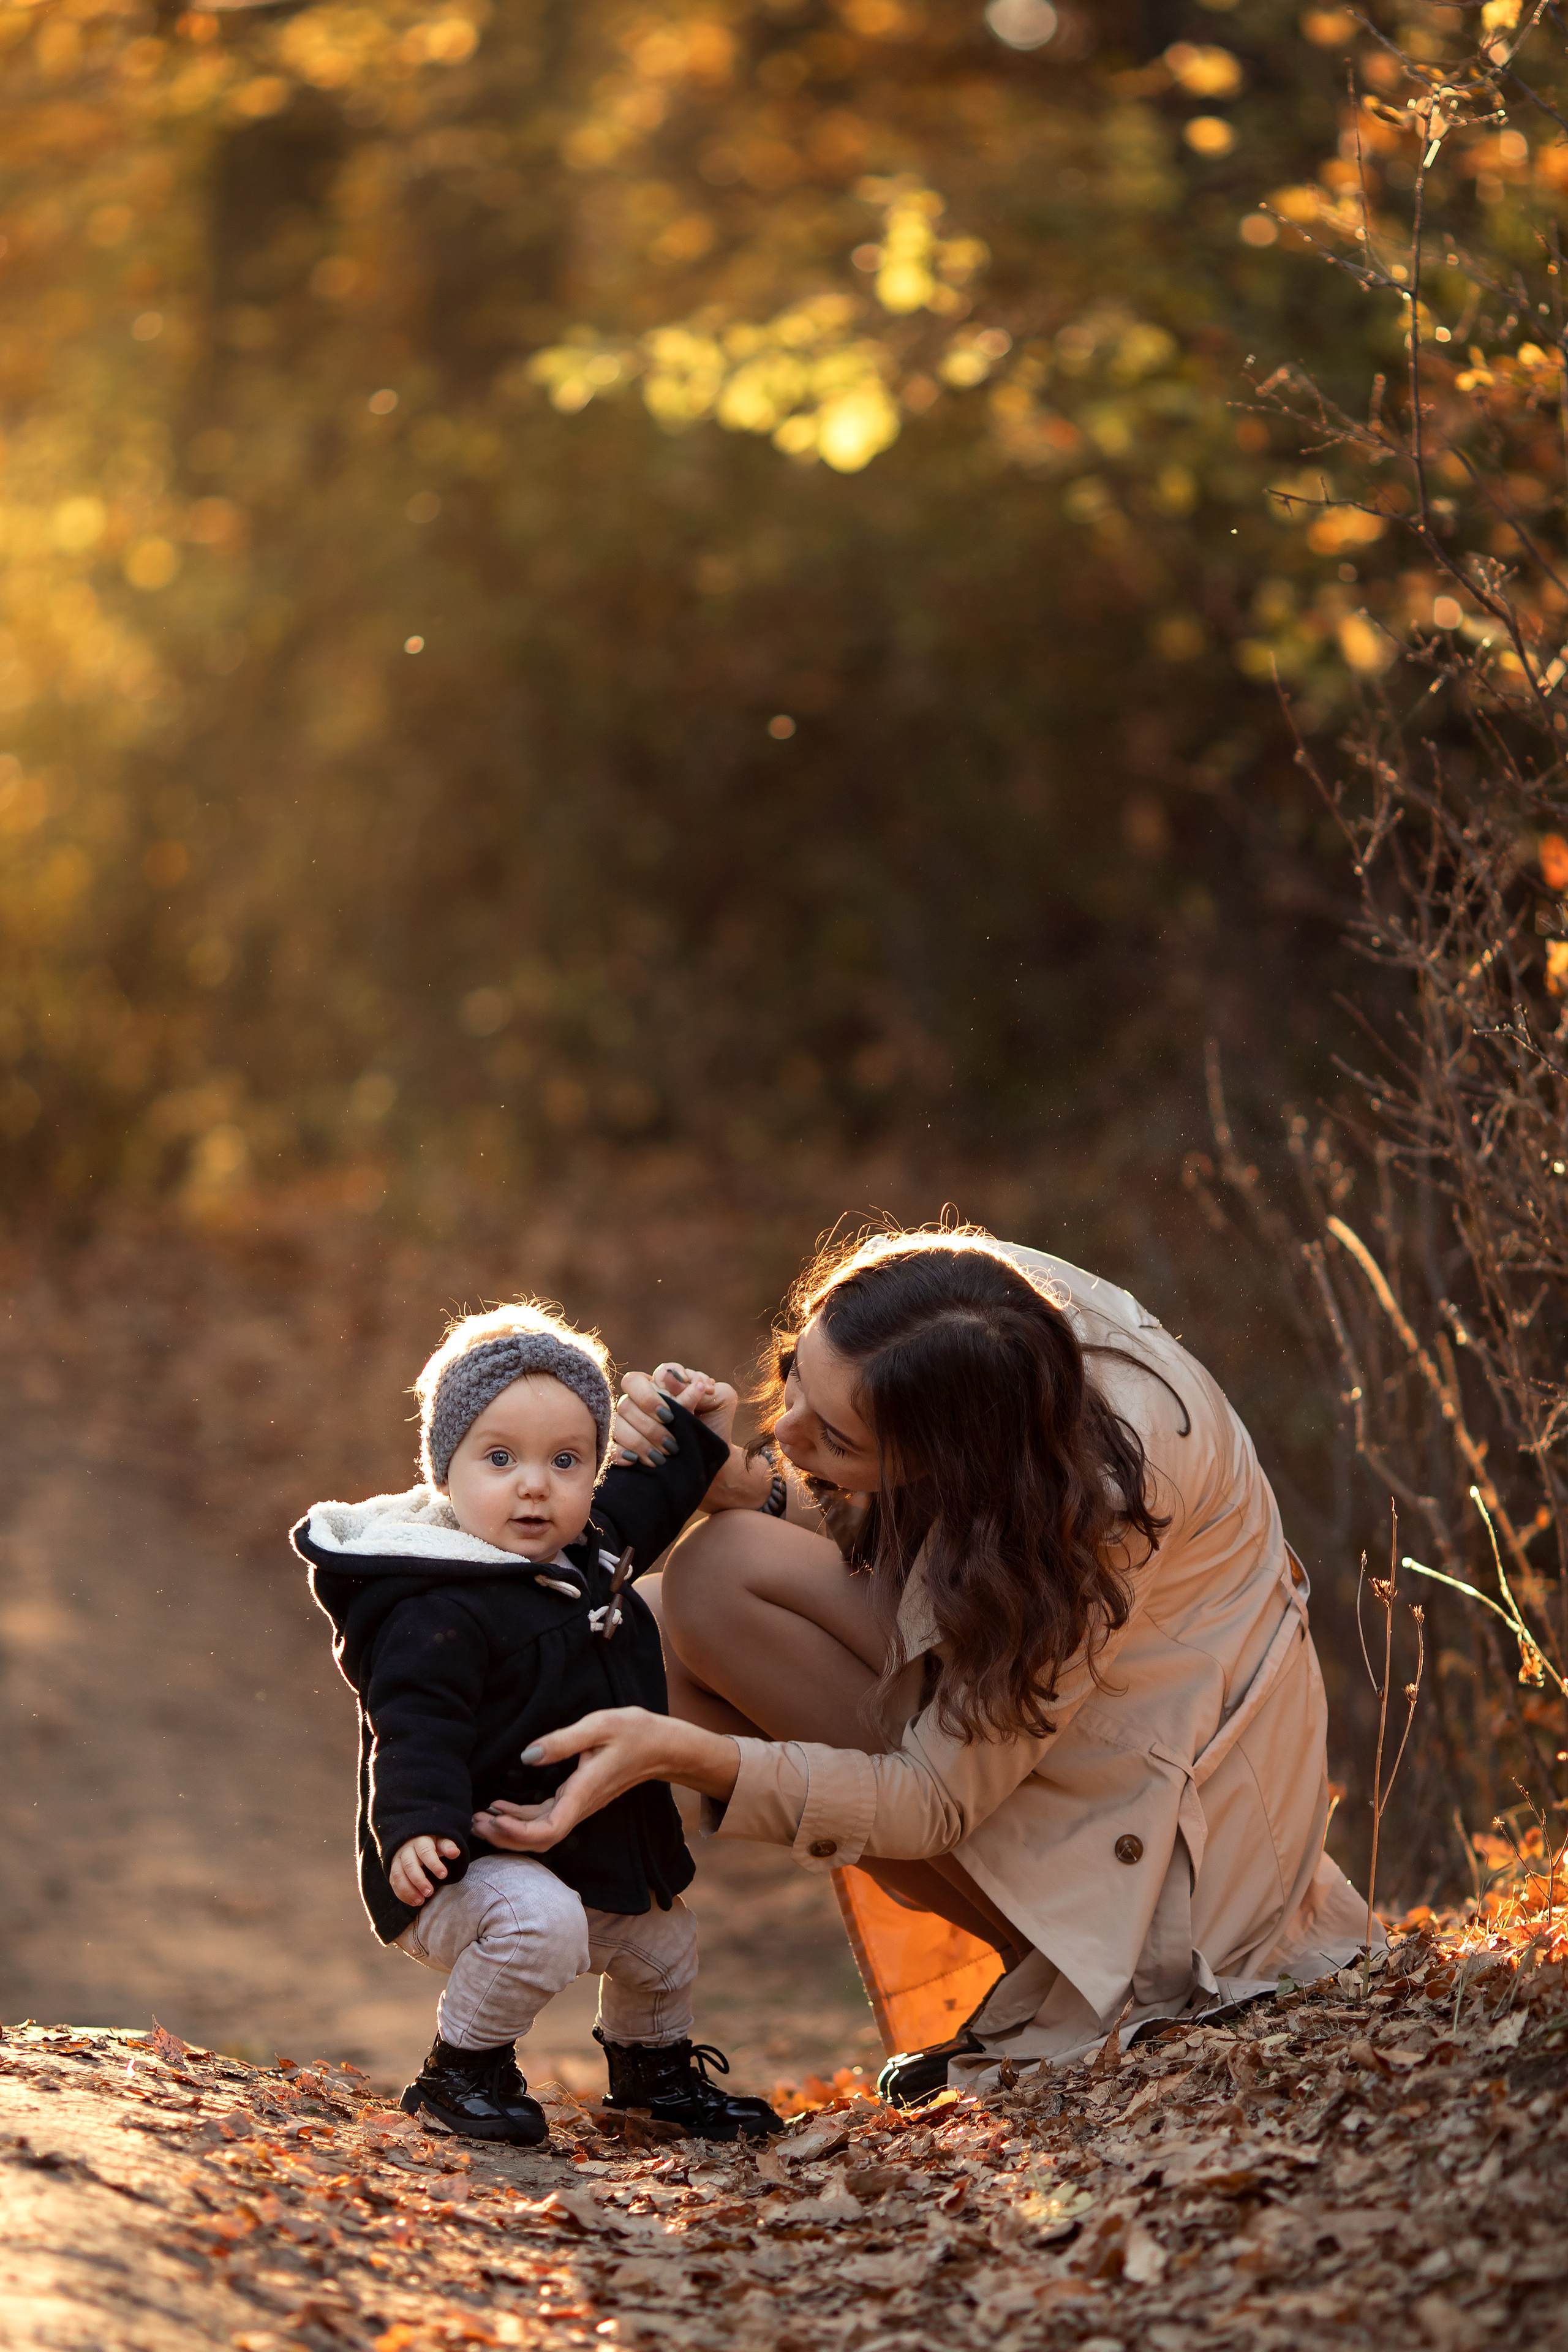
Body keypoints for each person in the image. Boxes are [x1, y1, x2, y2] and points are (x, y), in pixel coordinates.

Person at [473, 1230, 1370, 2100]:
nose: (783, 1429)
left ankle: (1087, 1973)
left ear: (954, 1461)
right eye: (796, 1384)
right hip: (1043, 1693)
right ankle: (1032, 1956)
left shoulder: (1097, 1507)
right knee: (661, 1622)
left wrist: (681, 1755)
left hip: (1166, 1819)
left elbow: (935, 1797)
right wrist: (733, 1480)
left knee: (711, 1581)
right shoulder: (946, 1304)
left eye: (834, 1438)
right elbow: (916, 1551)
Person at [292, 1301, 782, 2143]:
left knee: (664, 1936)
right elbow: (415, 1725)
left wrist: (692, 1427)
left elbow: (655, 1493)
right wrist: (414, 1828)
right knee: (539, 1925)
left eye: (566, 1460)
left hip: (581, 1849)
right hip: (461, 1859)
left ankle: (653, 2073)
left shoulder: (588, 1547)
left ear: (594, 1467)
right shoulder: (434, 1603)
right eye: (499, 1458)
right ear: (447, 1472)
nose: (534, 1484)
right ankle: (462, 2072)